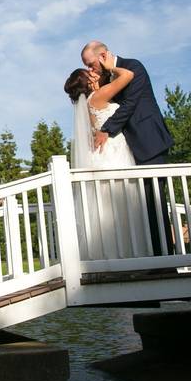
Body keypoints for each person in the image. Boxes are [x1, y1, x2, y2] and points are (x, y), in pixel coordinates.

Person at [80, 41, 174, 256]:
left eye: (90, 64)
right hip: (128, 150)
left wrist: (106, 129)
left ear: (103, 55)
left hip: (149, 142)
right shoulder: (106, 79)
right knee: (140, 207)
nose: (89, 70)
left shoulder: (133, 67)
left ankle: (167, 261)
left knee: (155, 203)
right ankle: (149, 257)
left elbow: (130, 104)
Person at [64, 62, 149, 260]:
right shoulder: (97, 97)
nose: (95, 74)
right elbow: (128, 75)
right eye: (90, 74)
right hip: (113, 153)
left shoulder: (85, 106)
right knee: (122, 205)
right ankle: (127, 256)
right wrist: (109, 67)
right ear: (89, 82)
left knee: (107, 209)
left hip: (102, 154)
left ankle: (109, 256)